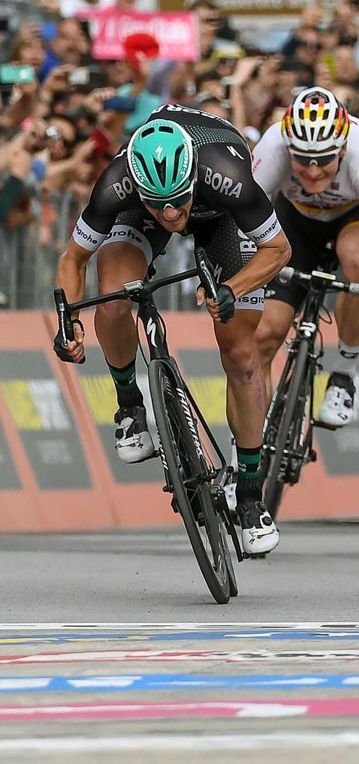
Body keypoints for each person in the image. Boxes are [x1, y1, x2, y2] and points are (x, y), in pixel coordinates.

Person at [53, 106, 292, 555]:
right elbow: (73, 259)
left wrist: (230, 289)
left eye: (178, 200)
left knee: (242, 355)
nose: (170, 213)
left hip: (221, 216)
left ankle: (251, 497)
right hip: (135, 210)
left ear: (192, 178)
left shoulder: (229, 174)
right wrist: (68, 321)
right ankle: (129, 407)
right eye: (158, 203)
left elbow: (278, 248)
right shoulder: (118, 183)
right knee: (113, 294)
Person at [252, 87, 359, 427]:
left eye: (324, 160)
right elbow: (242, 226)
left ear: (342, 147)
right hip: (293, 220)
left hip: (349, 219)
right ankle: (247, 456)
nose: (312, 171)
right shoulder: (272, 146)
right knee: (265, 335)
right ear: (287, 147)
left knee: (357, 257)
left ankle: (344, 373)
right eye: (302, 159)